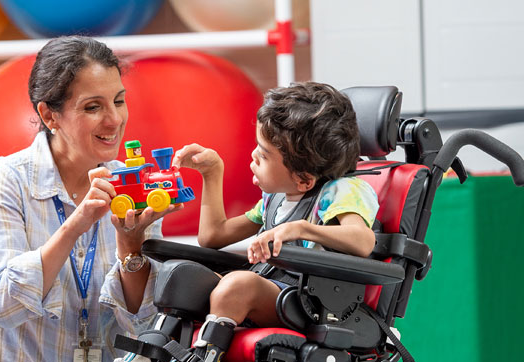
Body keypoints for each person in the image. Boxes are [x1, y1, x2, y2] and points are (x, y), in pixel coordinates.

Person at [0, 36, 182, 362]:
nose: (114, 120)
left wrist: (131, 247)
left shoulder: (131, 183)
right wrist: (75, 225)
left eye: (118, 101)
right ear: (49, 116)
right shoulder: (5, 182)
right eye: (93, 106)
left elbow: (144, 321)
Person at [118, 81, 379, 362]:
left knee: (238, 286)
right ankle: (147, 355)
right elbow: (213, 236)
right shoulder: (276, 199)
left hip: (310, 301)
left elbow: (363, 241)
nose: (254, 155)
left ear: (303, 179)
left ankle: (205, 356)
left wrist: (301, 228)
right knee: (182, 280)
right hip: (268, 286)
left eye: (264, 154)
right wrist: (212, 172)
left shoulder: (341, 191)